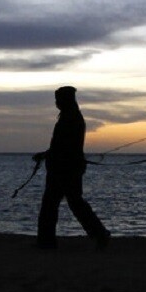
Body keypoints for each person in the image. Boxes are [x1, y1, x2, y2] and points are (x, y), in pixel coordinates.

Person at [32, 86, 110, 250]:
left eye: (59, 99)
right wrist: (46, 154)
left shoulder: (71, 118)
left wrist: (48, 155)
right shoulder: (70, 117)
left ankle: (47, 243)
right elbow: (60, 146)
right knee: (72, 204)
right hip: (67, 168)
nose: (56, 103)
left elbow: (63, 146)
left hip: (64, 170)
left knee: (53, 205)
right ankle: (100, 234)